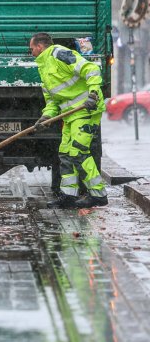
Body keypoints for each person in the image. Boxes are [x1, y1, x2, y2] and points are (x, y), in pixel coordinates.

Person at [29, 32, 108, 209]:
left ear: (39, 47)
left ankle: (98, 195)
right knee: (65, 154)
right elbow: (52, 100)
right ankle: (68, 196)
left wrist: (93, 94)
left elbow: (91, 69)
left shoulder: (60, 54)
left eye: (31, 49)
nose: (31, 52)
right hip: (69, 115)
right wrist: (46, 117)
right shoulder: (43, 67)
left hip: (86, 109)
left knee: (78, 152)